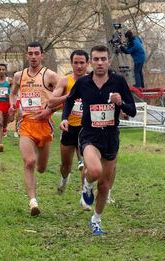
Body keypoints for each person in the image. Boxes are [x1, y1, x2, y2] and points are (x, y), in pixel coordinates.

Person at [59, 45, 136, 235]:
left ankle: (96, 220)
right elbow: (69, 100)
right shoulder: (83, 82)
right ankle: (86, 186)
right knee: (94, 170)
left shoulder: (118, 81)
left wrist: (121, 103)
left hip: (110, 137)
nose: (100, 62)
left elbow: (132, 110)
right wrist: (65, 118)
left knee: (104, 185)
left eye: (103, 59)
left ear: (109, 61)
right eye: (96, 59)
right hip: (89, 134)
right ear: (91, 62)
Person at [9, 41, 60, 216]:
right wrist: (14, 105)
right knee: (29, 162)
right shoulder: (19, 75)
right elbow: (13, 93)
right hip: (26, 124)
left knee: (41, 168)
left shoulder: (50, 76)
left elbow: (65, 95)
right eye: (30, 53)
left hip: (45, 126)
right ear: (26, 55)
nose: (33, 57)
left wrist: (50, 110)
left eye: (36, 53)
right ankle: (33, 201)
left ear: (42, 55)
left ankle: (40, 162)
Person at [49, 50, 89, 204]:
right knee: (66, 165)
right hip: (68, 127)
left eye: (82, 63)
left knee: (86, 163)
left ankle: (84, 196)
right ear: (71, 63)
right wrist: (71, 95)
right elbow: (52, 102)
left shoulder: (92, 82)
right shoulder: (65, 81)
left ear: (87, 63)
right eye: (76, 63)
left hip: (86, 128)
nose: (79, 66)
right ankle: (64, 179)